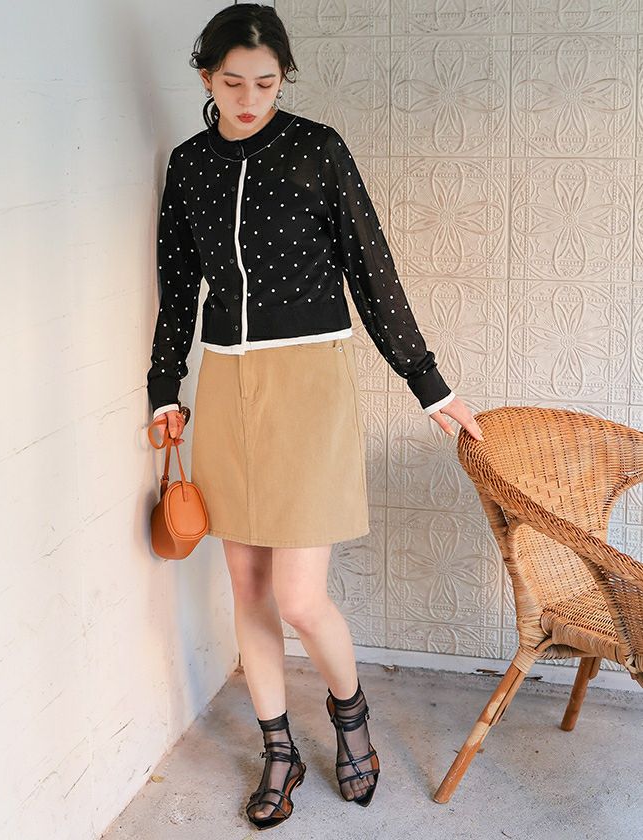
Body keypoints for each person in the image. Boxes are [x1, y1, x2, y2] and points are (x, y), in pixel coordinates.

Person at [146, 3, 484, 831]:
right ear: (206, 77)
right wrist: (165, 388)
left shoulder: (316, 150)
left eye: (265, 83)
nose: (248, 99)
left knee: (299, 596)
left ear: (283, 79)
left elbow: (373, 271)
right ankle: (278, 749)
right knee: (246, 586)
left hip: (309, 382)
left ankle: (349, 713)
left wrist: (430, 384)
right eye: (232, 83)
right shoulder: (189, 165)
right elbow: (177, 286)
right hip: (225, 383)